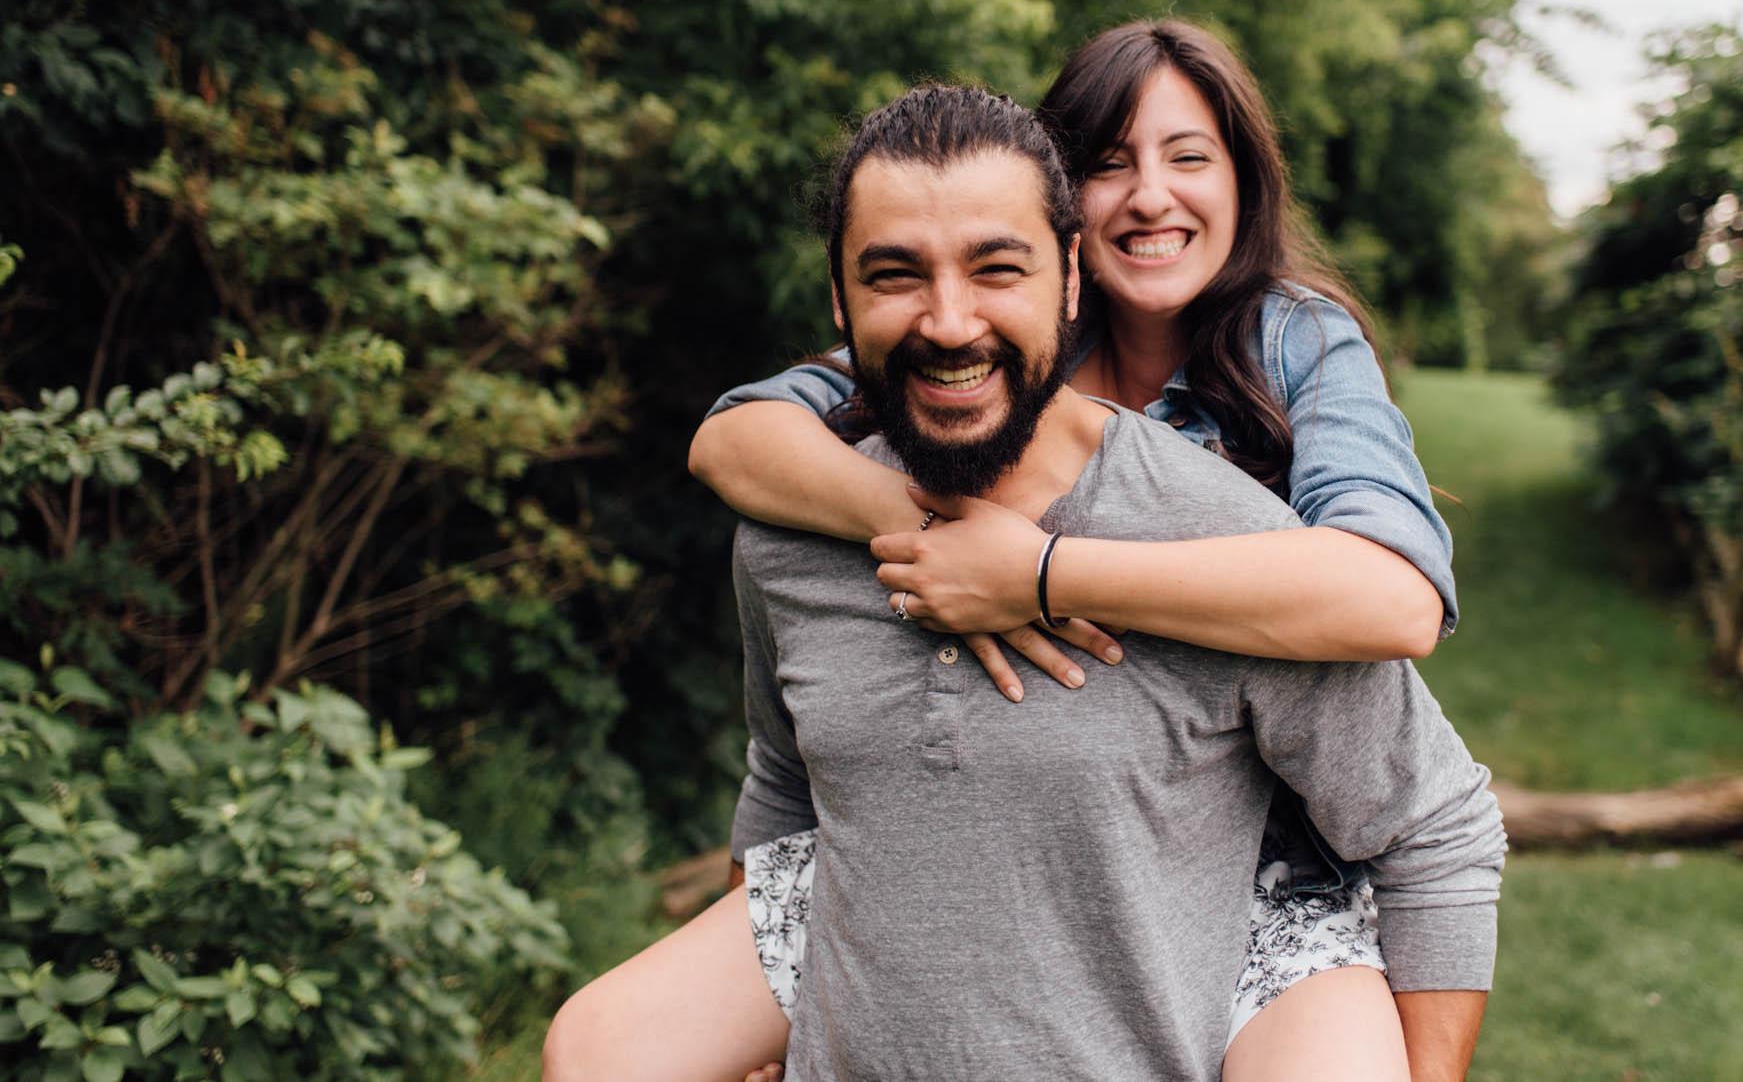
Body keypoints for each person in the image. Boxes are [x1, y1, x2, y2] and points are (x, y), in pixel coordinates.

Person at [543, 83, 1504, 1082]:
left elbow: (1422, 767)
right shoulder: (795, 522)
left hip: (1240, 897)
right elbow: (785, 779)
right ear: (837, 299)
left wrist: (1042, 569)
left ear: (1068, 278)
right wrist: (774, 1012)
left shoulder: (1234, 516)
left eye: (998, 267)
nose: (948, 319)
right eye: (894, 273)